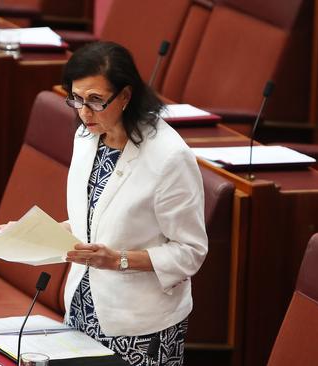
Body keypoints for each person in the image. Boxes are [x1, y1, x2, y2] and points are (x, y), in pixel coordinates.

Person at [61, 41, 208, 366]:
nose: (84, 112)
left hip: (141, 327)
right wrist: (33, 233)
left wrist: (119, 260)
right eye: (77, 98)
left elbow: (191, 251)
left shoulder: (170, 158)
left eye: (96, 100)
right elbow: (94, 218)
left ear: (126, 96)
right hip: (82, 307)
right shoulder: (87, 136)